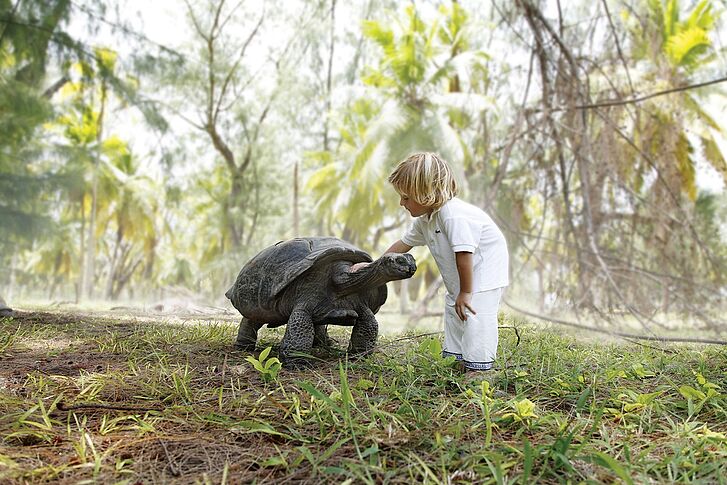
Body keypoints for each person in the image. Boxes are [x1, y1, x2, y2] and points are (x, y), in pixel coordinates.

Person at [353, 152, 509, 371]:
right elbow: (402, 245)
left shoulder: (452, 214)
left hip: (484, 273)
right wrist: (371, 267)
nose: (401, 203)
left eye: (406, 197)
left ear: (425, 193)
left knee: (476, 317)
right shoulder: (425, 220)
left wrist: (465, 293)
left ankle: (479, 369)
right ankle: (455, 360)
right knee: (454, 311)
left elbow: (464, 253)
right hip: (462, 279)